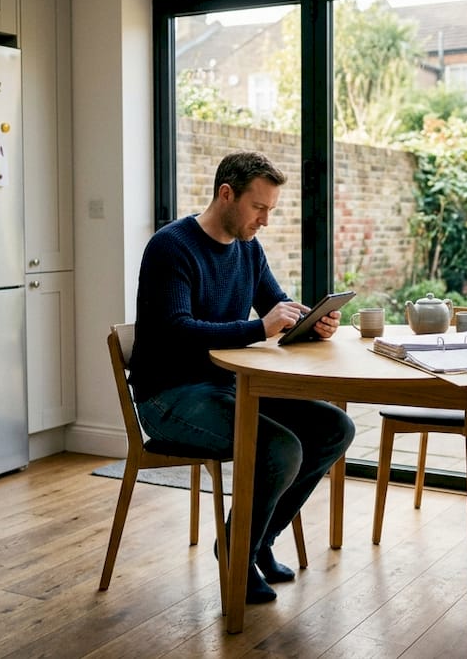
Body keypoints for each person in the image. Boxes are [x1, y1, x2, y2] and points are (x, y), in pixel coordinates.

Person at [128, 151, 355, 604]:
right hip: (169, 396)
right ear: (226, 194)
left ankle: (256, 541)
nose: (265, 221)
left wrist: (308, 322)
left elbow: (277, 305)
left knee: (334, 427)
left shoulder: (248, 249)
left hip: (229, 386)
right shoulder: (171, 246)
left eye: (271, 210)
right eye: (259, 208)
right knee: (279, 448)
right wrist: (261, 326)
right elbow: (177, 330)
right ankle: (239, 550)